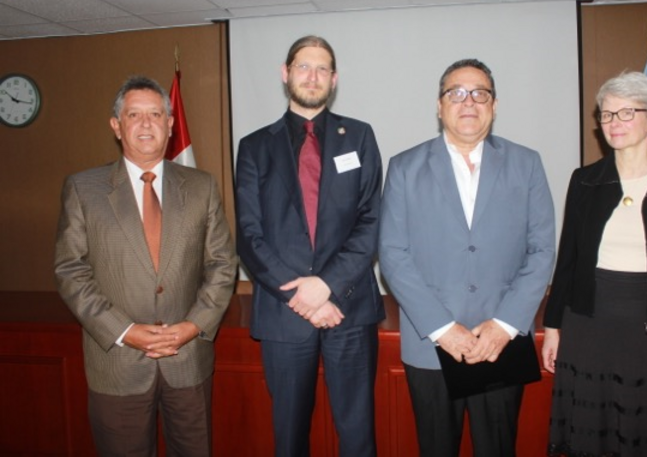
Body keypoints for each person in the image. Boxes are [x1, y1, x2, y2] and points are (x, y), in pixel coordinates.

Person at [379, 58, 556, 456]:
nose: (469, 102)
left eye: (480, 93)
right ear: (440, 105)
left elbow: (542, 248)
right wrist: (444, 328)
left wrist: (506, 325)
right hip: (432, 345)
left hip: (501, 342)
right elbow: (392, 254)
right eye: (456, 93)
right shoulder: (405, 167)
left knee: (498, 448)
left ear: (494, 105)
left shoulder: (527, 164)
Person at [54, 76, 238, 457]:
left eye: (155, 114)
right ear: (116, 125)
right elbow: (71, 271)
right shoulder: (83, 188)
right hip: (117, 364)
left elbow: (222, 264)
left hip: (187, 361)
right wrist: (124, 331)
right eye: (133, 114)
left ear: (171, 125)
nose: (145, 123)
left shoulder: (202, 186)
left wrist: (192, 326)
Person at [542, 71, 647, 457]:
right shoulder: (585, 180)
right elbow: (567, 258)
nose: (614, 123)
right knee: (590, 435)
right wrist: (553, 326)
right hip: (588, 326)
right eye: (606, 114)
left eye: (626, 113)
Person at [236, 35, 384, 457]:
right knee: (289, 437)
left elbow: (371, 220)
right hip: (285, 313)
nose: (313, 76)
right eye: (303, 66)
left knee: (358, 437)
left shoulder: (358, 136)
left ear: (334, 79)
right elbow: (249, 234)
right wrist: (303, 293)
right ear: (286, 74)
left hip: (349, 309)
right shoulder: (254, 147)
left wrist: (327, 286)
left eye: (322, 69)